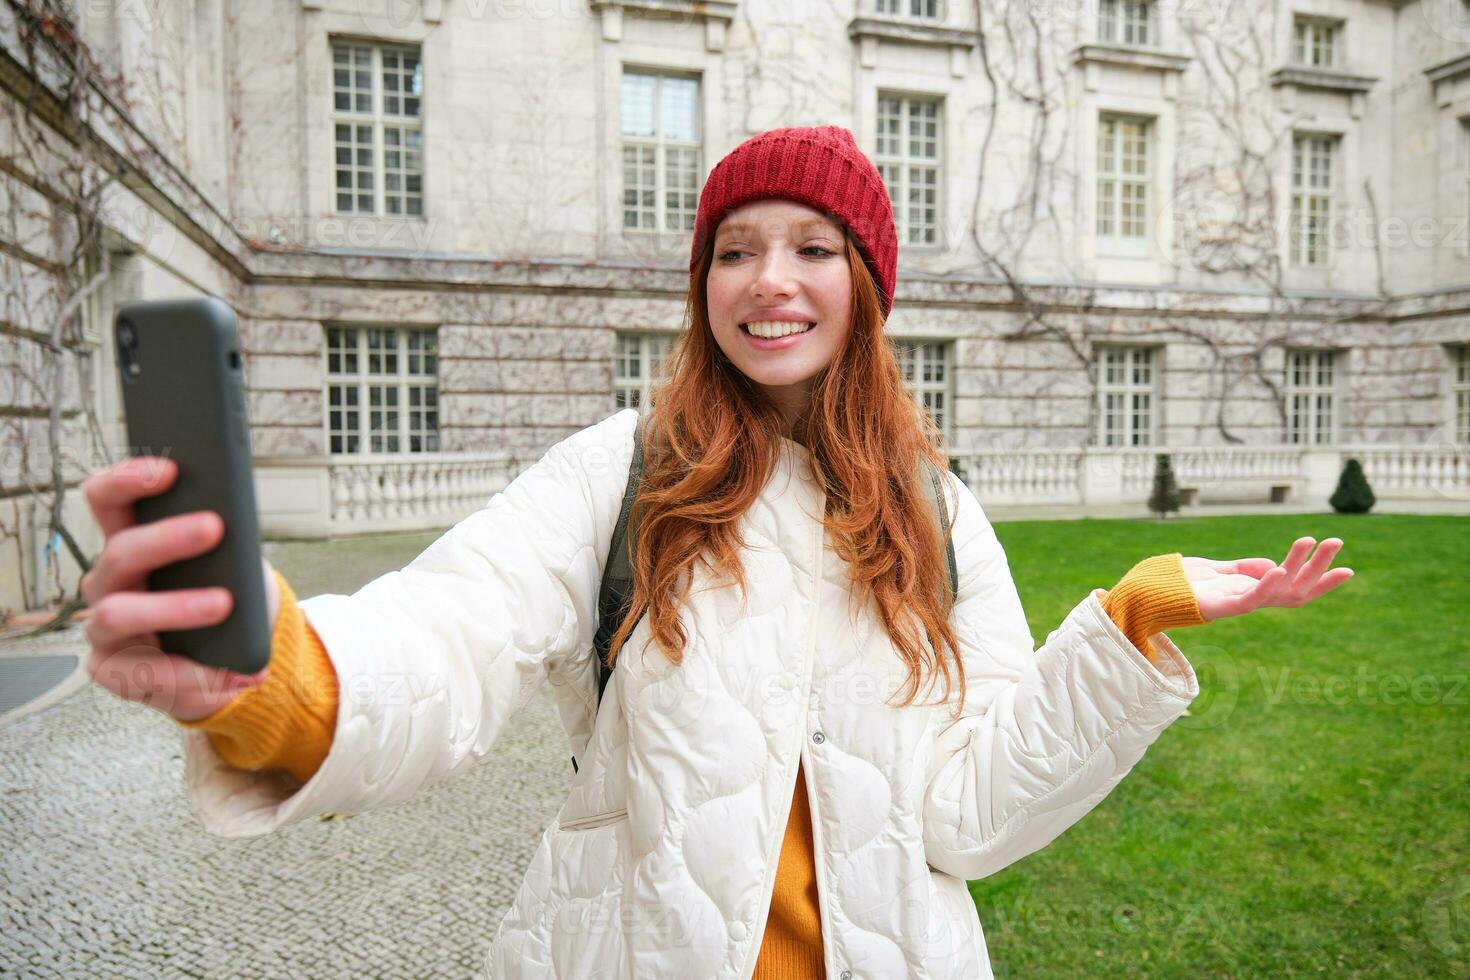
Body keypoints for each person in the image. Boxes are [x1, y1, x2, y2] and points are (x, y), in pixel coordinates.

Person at [81, 126, 1353, 979]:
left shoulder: (937, 511)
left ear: (865, 280)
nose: (768, 281)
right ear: (701, 283)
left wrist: (1126, 627)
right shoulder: (618, 469)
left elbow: (969, 813)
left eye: (810, 247)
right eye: (736, 249)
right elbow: (447, 634)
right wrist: (279, 678)